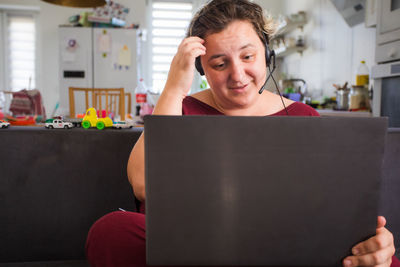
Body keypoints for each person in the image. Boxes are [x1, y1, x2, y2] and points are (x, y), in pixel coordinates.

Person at [86, 0, 398, 266]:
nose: (238, 75)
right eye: (220, 64)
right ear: (202, 70)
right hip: (193, 245)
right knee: (111, 231)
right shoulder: (180, 108)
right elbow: (142, 185)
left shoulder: (303, 116)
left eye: (248, 57)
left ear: (267, 55)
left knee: (385, 256)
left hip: (277, 243)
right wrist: (174, 88)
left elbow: (332, 209)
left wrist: (371, 242)